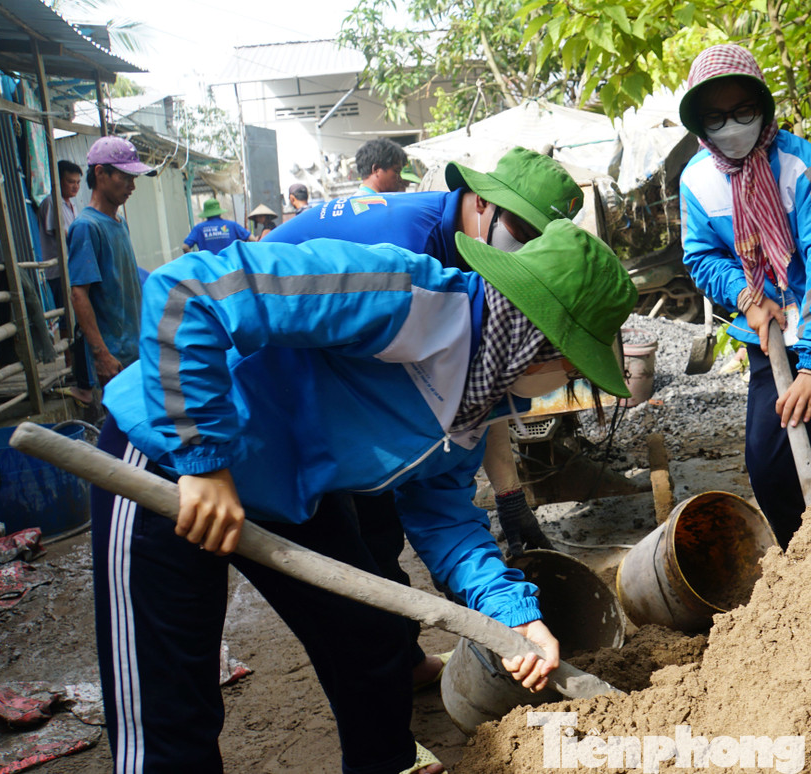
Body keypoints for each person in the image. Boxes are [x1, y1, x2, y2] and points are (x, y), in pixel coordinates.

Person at [93, 220, 636, 774]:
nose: (568, 379)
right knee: (169, 691)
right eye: (572, 364)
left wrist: (512, 616)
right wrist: (203, 458)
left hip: (290, 489)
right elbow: (189, 289)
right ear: (533, 338)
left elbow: (445, 522)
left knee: (369, 638)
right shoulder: (400, 294)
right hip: (168, 455)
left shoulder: (476, 403)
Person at [266, 147, 583, 684]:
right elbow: (220, 293)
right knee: (368, 537)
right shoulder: (407, 260)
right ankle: (394, 664)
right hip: (273, 374)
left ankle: (397, 666)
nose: (528, 251)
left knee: (375, 547)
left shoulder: (480, 280)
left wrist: (506, 500)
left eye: (540, 242)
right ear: (483, 203)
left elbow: (473, 404)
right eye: (523, 231)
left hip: (320, 421)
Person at [678, 44, 811, 549]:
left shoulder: (800, 166)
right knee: (767, 456)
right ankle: (808, 566)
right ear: (700, 124)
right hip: (772, 332)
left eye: (743, 111)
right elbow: (703, 257)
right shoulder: (697, 181)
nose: (731, 126)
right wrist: (747, 297)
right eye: (716, 117)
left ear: (764, 108)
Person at [66, 136, 156, 403]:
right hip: (114, 360)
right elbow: (79, 295)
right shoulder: (86, 226)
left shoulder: (118, 222)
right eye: (125, 177)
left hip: (135, 352)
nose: (132, 186)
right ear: (100, 173)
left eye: (134, 179)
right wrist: (101, 355)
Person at [37, 159, 82, 312]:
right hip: (58, 272)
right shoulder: (52, 202)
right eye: (71, 182)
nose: (75, 186)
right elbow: (64, 235)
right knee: (66, 315)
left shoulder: (71, 204)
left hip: (72, 268)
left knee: (76, 312)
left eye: (78, 182)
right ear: (58, 180)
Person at [181, 198, 254, 253]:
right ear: (219, 211)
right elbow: (252, 239)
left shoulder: (199, 228)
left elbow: (185, 247)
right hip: (231, 267)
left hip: (209, 268)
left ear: (206, 213)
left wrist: (197, 261)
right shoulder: (232, 225)